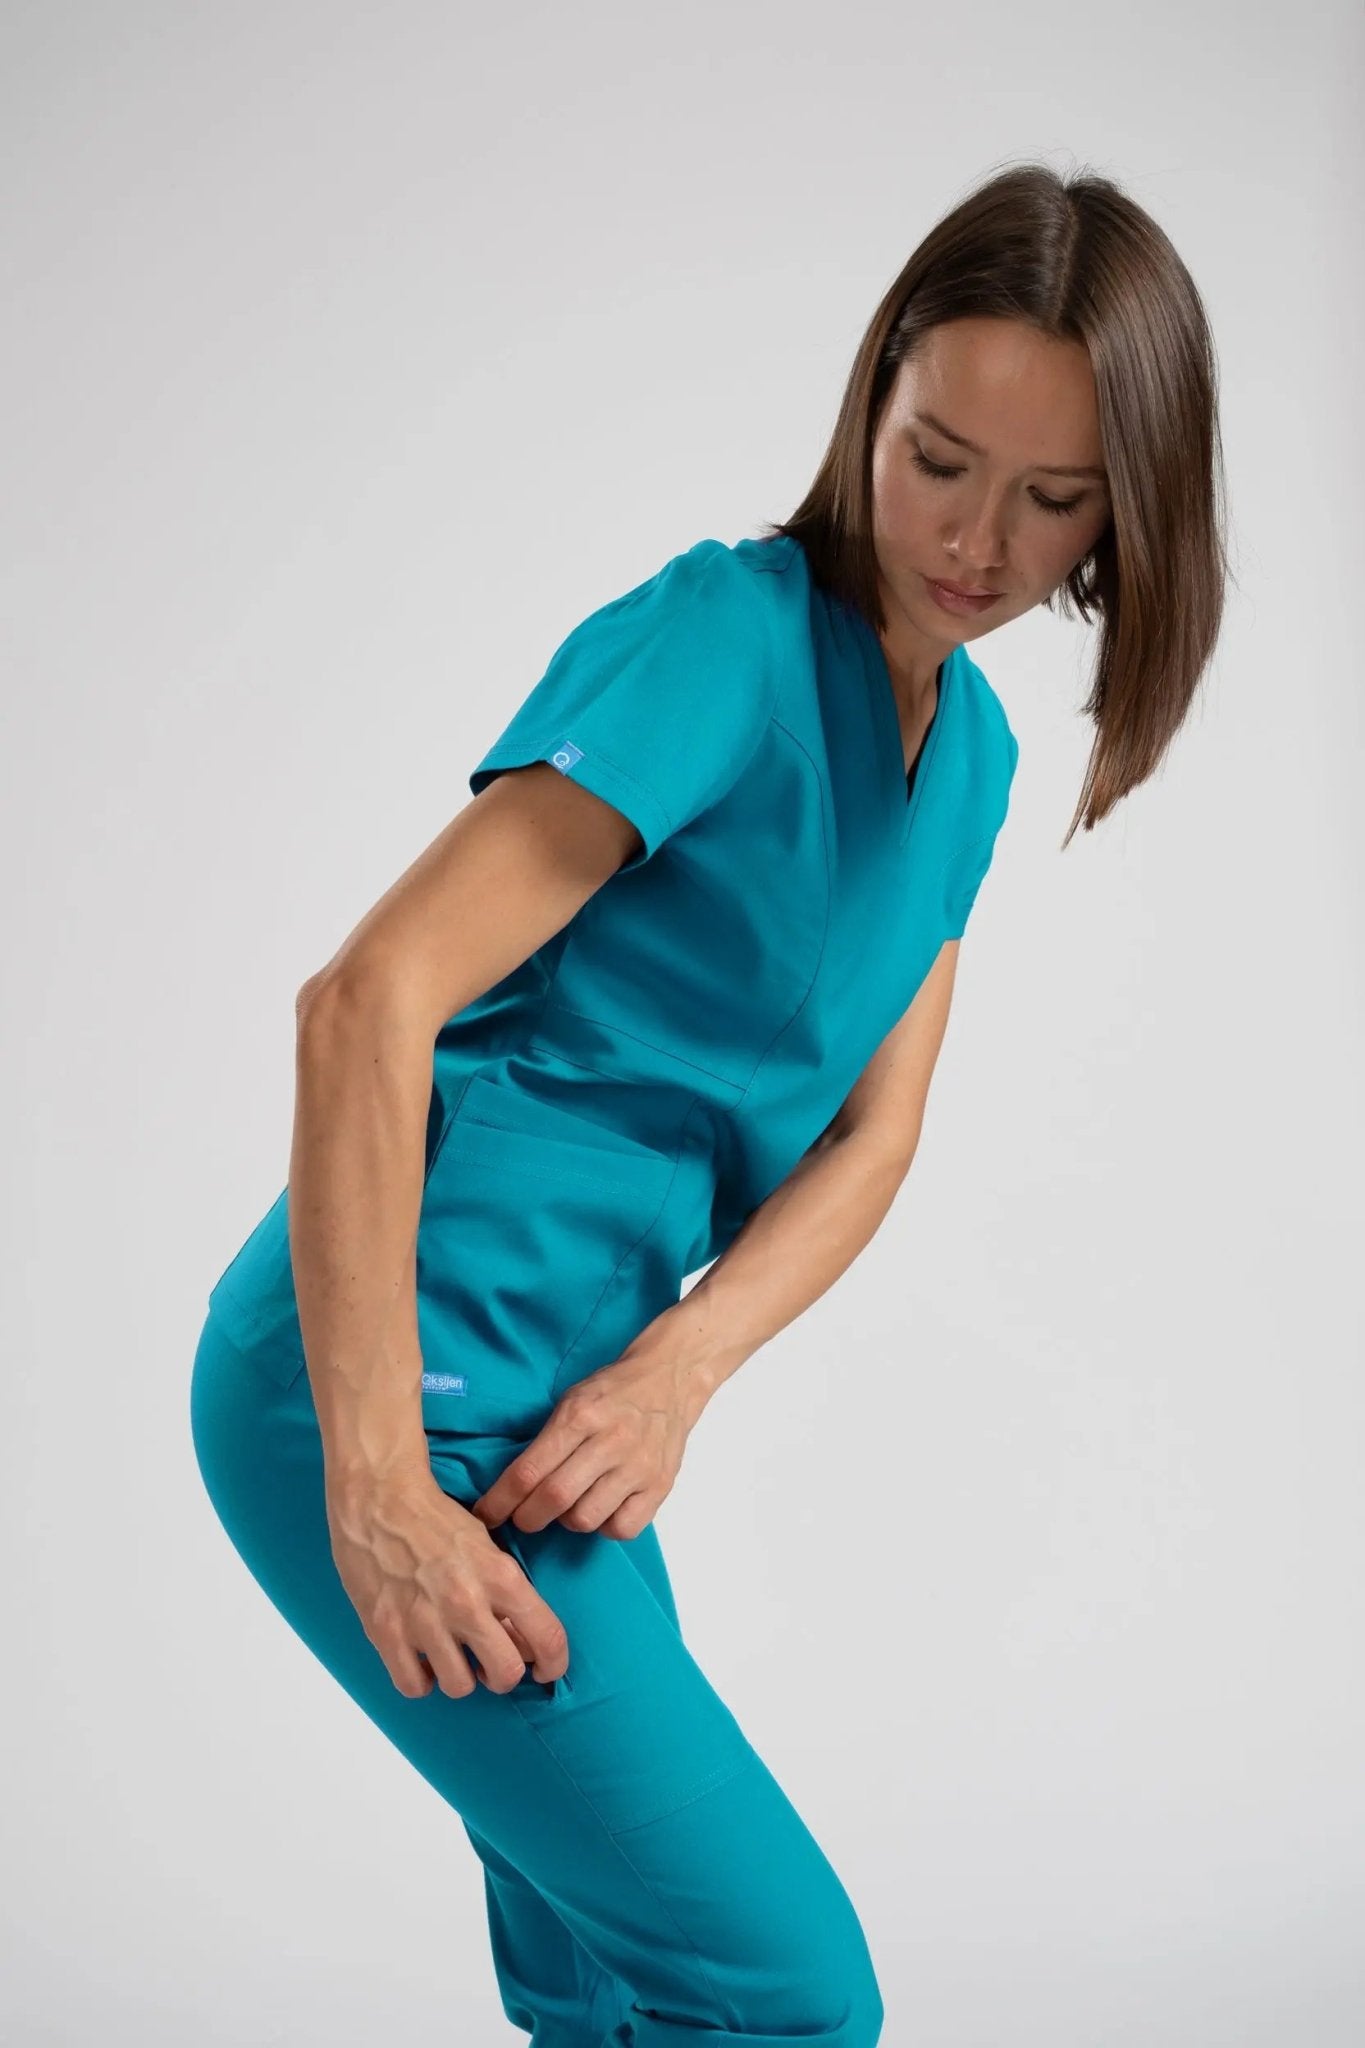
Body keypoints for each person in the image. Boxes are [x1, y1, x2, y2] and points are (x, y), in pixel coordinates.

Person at [190, 160, 1228, 2047]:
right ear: (868, 403)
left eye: (1052, 497)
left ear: (1122, 512)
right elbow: (363, 1003)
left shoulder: (971, 756)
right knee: (779, 1993)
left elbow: (873, 1136)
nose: (976, 540)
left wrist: (678, 1372)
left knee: (605, 1989)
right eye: (937, 460)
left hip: (563, 1416)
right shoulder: (723, 639)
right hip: (382, 1381)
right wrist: (375, 1481)